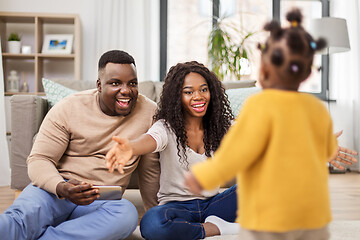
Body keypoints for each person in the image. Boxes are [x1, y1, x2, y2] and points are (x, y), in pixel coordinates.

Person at [185, 9, 352, 240]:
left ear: (263, 70)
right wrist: (331, 148)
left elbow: (234, 153)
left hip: (268, 217)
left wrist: (205, 176)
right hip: (313, 217)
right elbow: (324, 148)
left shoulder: (258, 106)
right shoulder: (317, 109)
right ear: (305, 74)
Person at [0, 50, 160, 240]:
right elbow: (39, 159)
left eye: (132, 83)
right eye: (116, 83)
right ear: (99, 85)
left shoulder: (150, 112)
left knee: (127, 215)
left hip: (101, 200)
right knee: (16, 222)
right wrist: (61, 187)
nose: (126, 90)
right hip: (56, 191)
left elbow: (150, 171)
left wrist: (154, 217)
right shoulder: (68, 107)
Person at [106, 61, 240, 240]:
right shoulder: (166, 128)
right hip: (177, 208)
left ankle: (199, 227)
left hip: (214, 204)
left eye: (203, 89)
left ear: (212, 92)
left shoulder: (222, 126)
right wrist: (131, 147)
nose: (198, 96)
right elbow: (150, 140)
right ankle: (216, 228)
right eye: (188, 92)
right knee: (151, 224)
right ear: (178, 96)